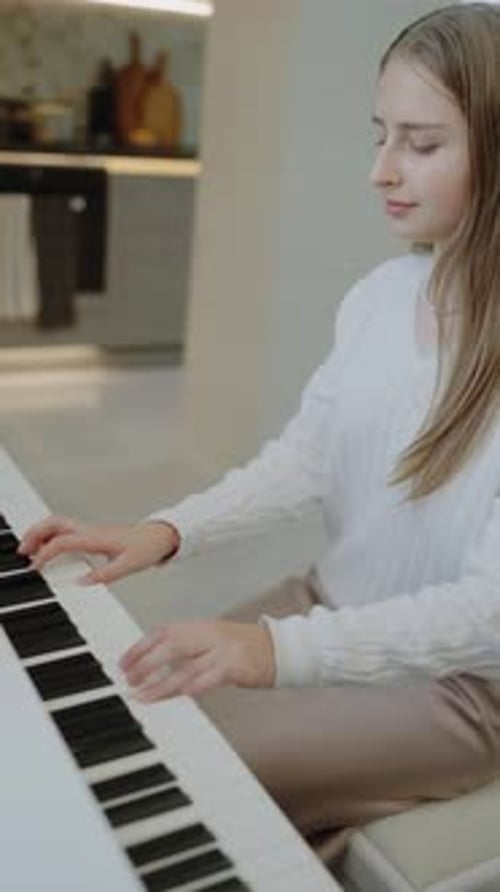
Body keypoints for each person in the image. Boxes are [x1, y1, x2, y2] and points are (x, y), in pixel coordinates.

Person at [18, 3, 500, 864]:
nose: (380, 170)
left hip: (459, 689)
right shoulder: (385, 295)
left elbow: (486, 614)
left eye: (421, 145)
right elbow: (306, 461)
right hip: (327, 599)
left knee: (177, 770)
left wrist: (271, 652)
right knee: (123, 709)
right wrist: (166, 532)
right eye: (380, 134)